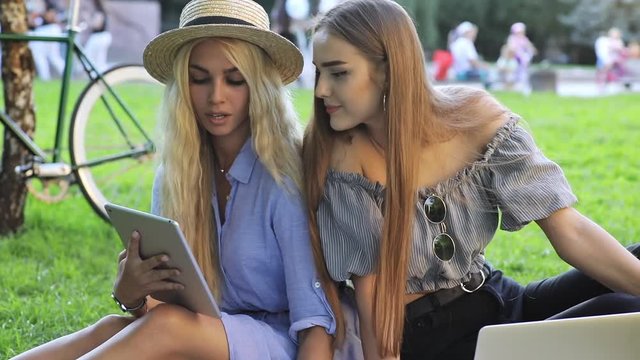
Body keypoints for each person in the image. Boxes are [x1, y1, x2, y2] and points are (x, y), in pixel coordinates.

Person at [302, 0, 640, 359]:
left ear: (388, 70)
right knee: (617, 311)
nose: (320, 89)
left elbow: (567, 230)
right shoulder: (345, 161)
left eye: (337, 73)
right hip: (439, 339)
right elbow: (374, 295)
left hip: (499, 299)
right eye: (319, 72)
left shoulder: (474, 118)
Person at [11, 0, 335, 359]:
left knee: (168, 326)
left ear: (259, 84)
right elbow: (162, 310)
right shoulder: (178, 172)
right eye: (199, 79)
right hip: (202, 334)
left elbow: (315, 326)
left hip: (282, 343)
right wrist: (131, 293)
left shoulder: (284, 177)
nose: (216, 97)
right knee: (110, 327)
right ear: (183, 83)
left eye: (234, 79)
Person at [506, 22, 536, 93]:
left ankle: (523, 87)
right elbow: (511, 49)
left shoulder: (524, 39)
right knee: (512, 74)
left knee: (523, 74)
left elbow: (530, 47)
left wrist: (530, 51)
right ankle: (510, 87)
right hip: (514, 59)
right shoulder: (512, 39)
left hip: (523, 60)